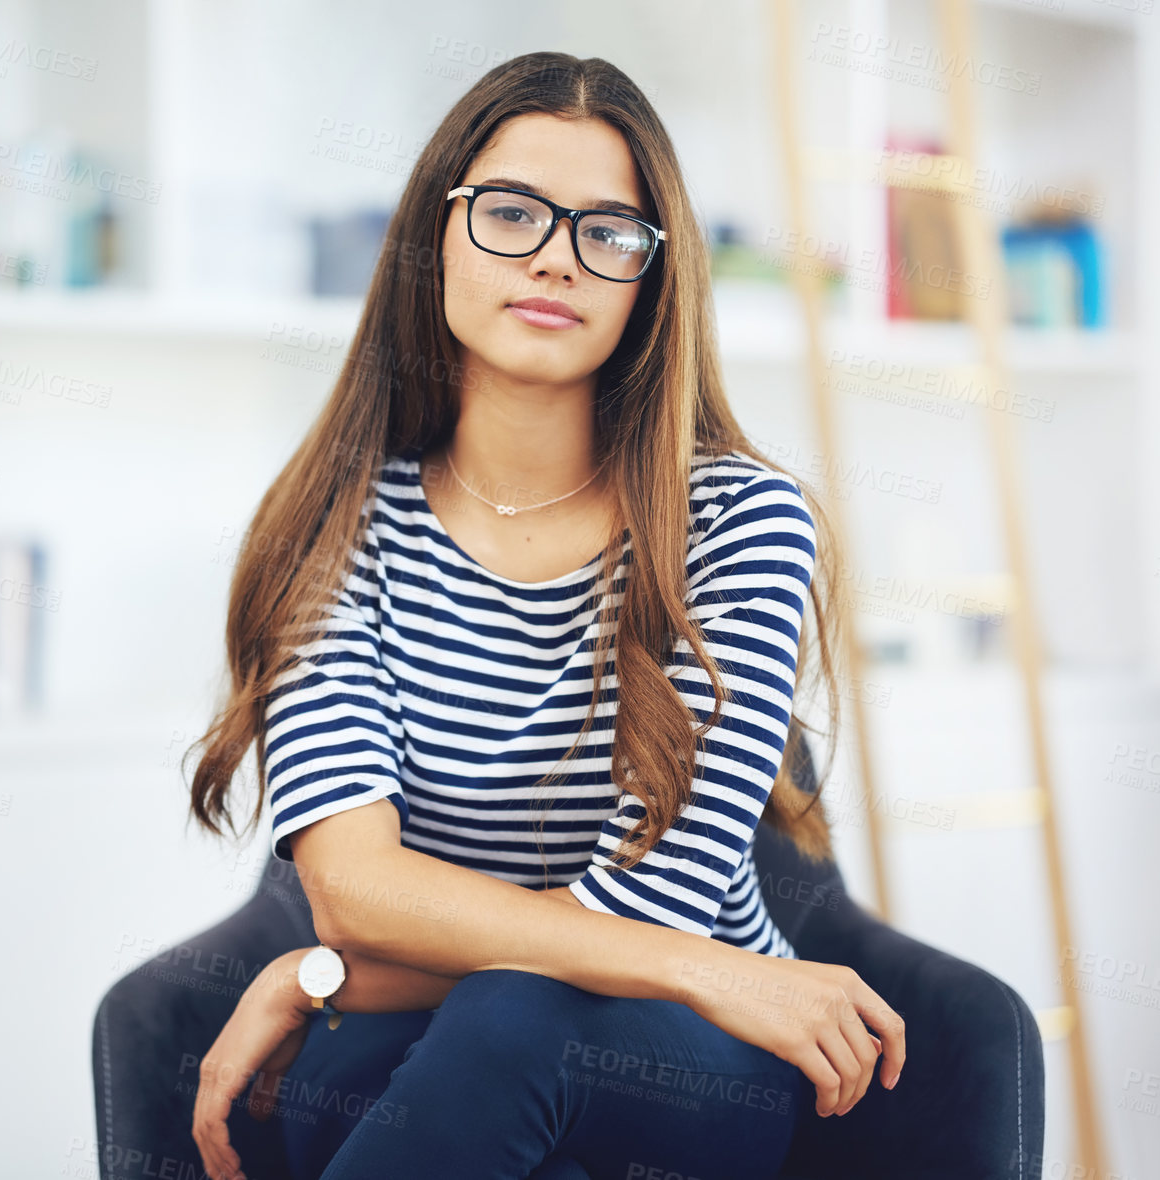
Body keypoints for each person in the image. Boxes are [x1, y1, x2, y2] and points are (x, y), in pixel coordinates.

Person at [183, 51, 904, 1180]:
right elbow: (354, 887)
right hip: (480, 1042)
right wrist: (344, 958)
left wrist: (325, 976)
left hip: (690, 1059)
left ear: (649, 279)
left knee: (508, 1025)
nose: (556, 259)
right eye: (511, 212)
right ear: (436, 233)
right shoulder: (336, 525)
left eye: (605, 233)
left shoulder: (740, 521)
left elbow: (658, 906)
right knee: (401, 1074)